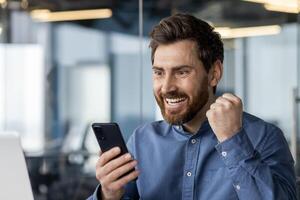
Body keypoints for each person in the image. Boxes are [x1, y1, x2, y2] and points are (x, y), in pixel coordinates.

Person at [88, 13, 296, 200]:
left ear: (214, 73)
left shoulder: (263, 138)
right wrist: (108, 194)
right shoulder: (142, 141)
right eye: (159, 72)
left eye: (182, 72)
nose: (167, 87)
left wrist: (233, 142)